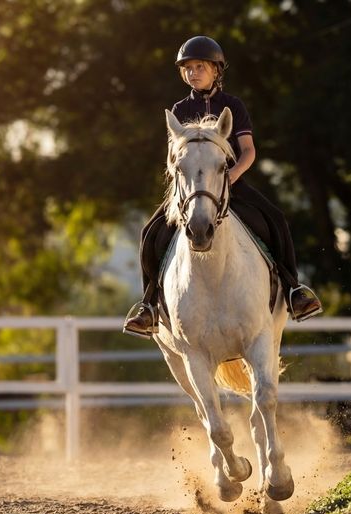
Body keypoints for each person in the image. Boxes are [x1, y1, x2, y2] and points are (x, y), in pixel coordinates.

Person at [123, 36, 322, 338]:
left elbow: (248, 151)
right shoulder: (178, 108)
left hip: (229, 183)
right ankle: (148, 306)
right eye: (187, 68)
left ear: (216, 69)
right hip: (190, 190)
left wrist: (231, 177)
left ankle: (295, 290)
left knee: (276, 219)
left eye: (199, 66)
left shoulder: (233, 105)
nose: (192, 73)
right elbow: (172, 157)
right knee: (149, 232)